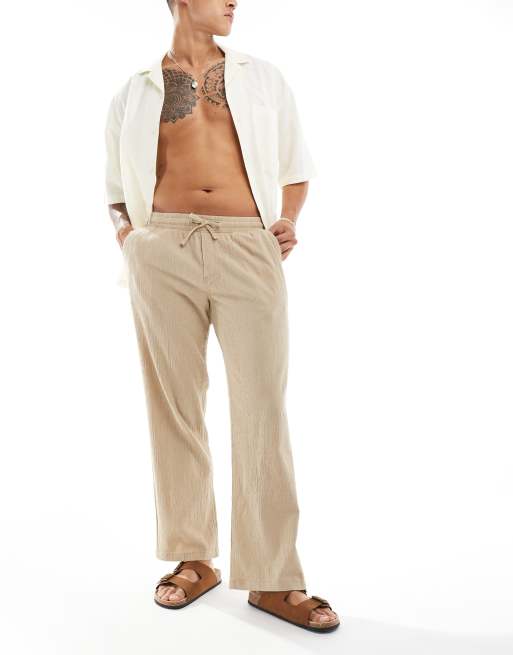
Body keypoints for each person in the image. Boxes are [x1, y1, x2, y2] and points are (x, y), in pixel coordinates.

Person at [104, 0, 340, 633]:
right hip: (162, 249)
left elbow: (295, 167)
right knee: (174, 407)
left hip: (246, 246)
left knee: (263, 408)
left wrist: (286, 221)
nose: (236, 1)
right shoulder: (134, 91)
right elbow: (116, 187)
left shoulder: (264, 78)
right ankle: (193, 558)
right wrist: (131, 239)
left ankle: (273, 576)